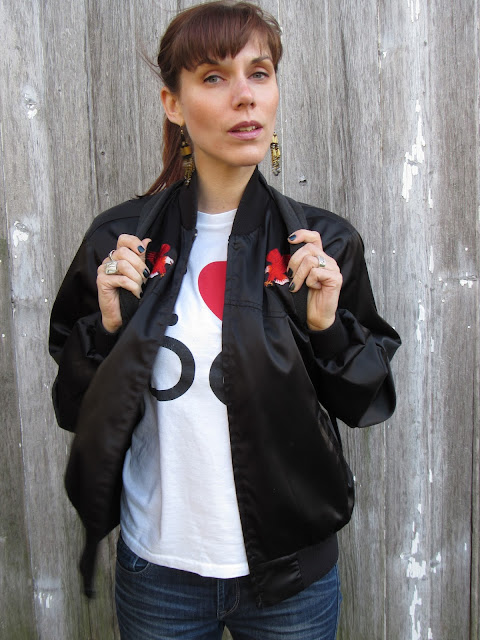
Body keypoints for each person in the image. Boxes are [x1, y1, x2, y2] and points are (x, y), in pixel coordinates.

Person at [49, 2, 401, 638]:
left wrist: (327, 327)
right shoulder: (120, 245)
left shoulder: (319, 246)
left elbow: (365, 401)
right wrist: (105, 331)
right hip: (159, 573)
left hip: (292, 578)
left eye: (259, 73)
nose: (245, 96)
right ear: (173, 103)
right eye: (214, 77)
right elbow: (75, 408)